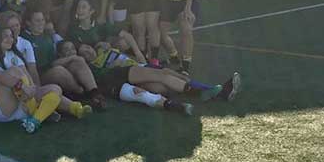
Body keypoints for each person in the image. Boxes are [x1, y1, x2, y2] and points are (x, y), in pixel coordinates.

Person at [78, 42, 241, 108]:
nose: (87, 51)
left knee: (166, 81)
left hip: (138, 69)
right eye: (83, 52)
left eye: (87, 47)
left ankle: (211, 91)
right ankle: (213, 91)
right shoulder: (92, 68)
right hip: (126, 78)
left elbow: (125, 43)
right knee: (163, 83)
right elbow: (102, 80)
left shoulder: (106, 50)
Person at [0, 26, 64, 133]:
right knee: (14, 71)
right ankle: (39, 109)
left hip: (18, 105)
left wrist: (32, 89)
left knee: (55, 89)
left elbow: (27, 76)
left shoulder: (13, 54)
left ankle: (34, 121)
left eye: (11, 36)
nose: (10, 39)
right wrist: (24, 87)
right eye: (5, 36)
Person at [68, 0, 146, 63]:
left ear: (91, 11)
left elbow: (127, 35)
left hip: (106, 56)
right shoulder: (73, 29)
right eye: (78, 7)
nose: (80, 10)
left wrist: (138, 54)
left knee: (123, 43)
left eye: (83, 7)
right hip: (87, 62)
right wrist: (98, 46)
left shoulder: (100, 25)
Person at [117, 0, 162, 64]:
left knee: (152, 26)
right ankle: (143, 58)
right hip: (135, 0)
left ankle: (154, 58)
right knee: (139, 29)